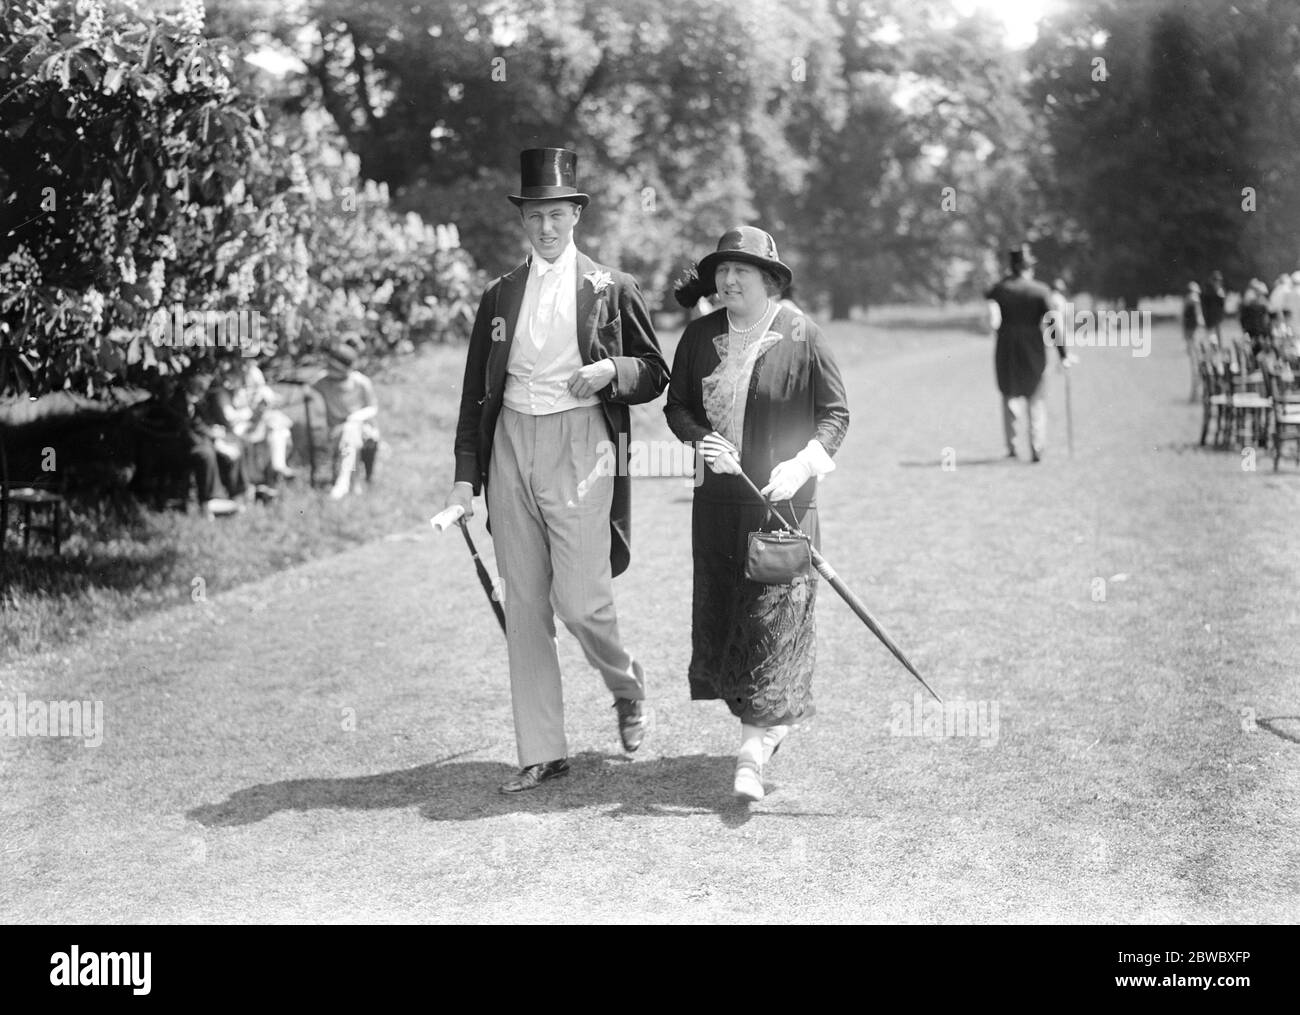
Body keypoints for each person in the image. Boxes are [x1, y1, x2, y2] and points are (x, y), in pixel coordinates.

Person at [442, 147, 669, 794]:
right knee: (526, 604)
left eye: (558, 214)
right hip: (510, 444)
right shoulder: (498, 297)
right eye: (536, 215)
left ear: (575, 214)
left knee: (580, 602)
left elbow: (655, 372)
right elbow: (474, 396)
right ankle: (542, 749)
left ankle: (626, 683)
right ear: (525, 219)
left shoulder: (610, 288)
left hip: (581, 446)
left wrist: (610, 371)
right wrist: (466, 480)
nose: (546, 226)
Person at [665, 226, 849, 801]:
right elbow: (678, 406)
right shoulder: (698, 336)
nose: (729, 279)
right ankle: (767, 728)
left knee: (772, 623)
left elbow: (836, 414)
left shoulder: (803, 333)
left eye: (742, 269)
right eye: (722, 269)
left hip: (782, 511)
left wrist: (804, 464)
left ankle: (751, 754)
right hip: (718, 509)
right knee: (731, 623)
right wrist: (701, 440)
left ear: (769, 278)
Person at [984, 244, 1069, 462]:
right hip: (1032, 346)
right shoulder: (1040, 290)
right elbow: (1053, 324)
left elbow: (988, 292)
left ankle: (1012, 446)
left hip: (1007, 346)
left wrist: (1006, 276)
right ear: (1028, 267)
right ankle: (1037, 446)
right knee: (1036, 396)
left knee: (1009, 394)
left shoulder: (1002, 289)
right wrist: (1063, 354)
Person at [209, 357, 295, 492]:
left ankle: (277, 467)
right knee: (245, 440)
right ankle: (255, 483)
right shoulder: (222, 387)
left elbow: (265, 393)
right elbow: (230, 417)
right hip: (236, 429)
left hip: (257, 422)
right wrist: (251, 412)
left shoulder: (253, 373)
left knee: (278, 428)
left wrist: (266, 401)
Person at [312, 342, 379, 499]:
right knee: (349, 431)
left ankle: (345, 481)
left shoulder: (360, 382)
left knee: (352, 430)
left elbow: (373, 407)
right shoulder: (323, 383)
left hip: (362, 429)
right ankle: (350, 481)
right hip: (338, 431)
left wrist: (356, 417)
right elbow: (304, 389)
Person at [1183, 281, 1206, 401]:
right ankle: (1196, 394)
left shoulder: (1187, 301)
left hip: (1190, 334)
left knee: (1194, 364)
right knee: (1197, 364)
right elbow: (1199, 318)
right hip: (1195, 334)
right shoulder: (1195, 300)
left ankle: (1194, 394)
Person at [1202, 270, 1227, 345]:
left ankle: (1218, 348)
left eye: (1219, 280)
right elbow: (1205, 304)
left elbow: (1222, 305)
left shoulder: (1221, 291)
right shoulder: (1208, 291)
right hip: (1209, 317)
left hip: (1217, 317)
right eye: (1216, 280)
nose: (1218, 282)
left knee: (1218, 334)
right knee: (1210, 335)